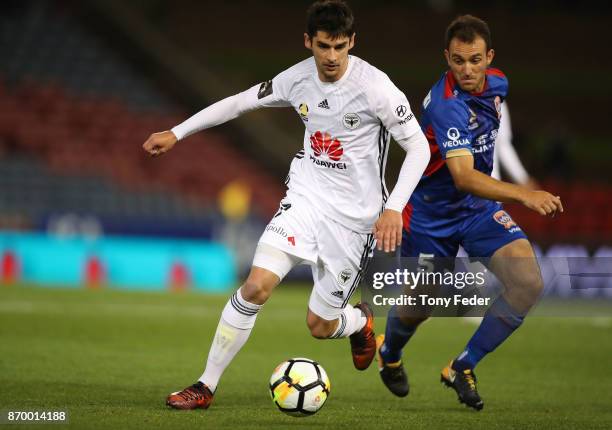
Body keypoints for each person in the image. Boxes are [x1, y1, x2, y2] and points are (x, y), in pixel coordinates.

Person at [142, 0, 430, 410]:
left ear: (352, 42)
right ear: (308, 42)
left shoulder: (376, 88)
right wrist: (177, 132)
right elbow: (239, 102)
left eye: (340, 46)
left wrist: (394, 207)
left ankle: (359, 321)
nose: (331, 57)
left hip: (355, 222)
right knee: (256, 286)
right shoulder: (296, 80)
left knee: (320, 324)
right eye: (324, 46)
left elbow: (418, 147)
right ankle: (205, 385)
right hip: (306, 200)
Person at [376, 15, 563, 411]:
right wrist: (524, 194)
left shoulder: (498, 83)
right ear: (447, 57)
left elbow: (492, 136)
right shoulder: (445, 106)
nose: (466, 69)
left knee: (528, 283)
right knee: (421, 303)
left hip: (477, 211)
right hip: (429, 215)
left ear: (489, 57)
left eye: (475, 60)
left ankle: (463, 366)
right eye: (458, 60)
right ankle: (389, 352)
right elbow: (462, 176)